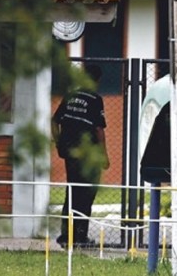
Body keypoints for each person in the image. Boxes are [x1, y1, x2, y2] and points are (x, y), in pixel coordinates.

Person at [51, 64, 109, 247]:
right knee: (86, 194)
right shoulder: (95, 99)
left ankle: (66, 235)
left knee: (72, 191)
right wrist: (104, 156)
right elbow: (98, 130)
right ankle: (80, 237)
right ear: (97, 80)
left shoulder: (70, 96)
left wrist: (59, 143)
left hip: (70, 154)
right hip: (88, 155)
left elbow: (54, 121)